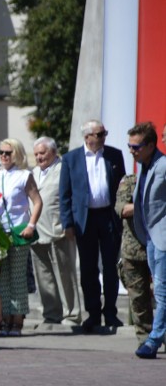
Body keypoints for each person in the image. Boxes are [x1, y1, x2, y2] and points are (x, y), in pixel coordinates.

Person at [59, 120, 126, 332]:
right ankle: (93, 313)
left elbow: (122, 187)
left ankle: (111, 313)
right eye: (99, 133)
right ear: (87, 137)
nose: (103, 137)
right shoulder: (71, 159)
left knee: (110, 266)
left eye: (104, 133)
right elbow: (65, 195)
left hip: (108, 217)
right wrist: (68, 223)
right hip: (84, 219)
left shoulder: (114, 155)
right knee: (88, 268)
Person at [0, 138, 43, 336]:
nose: (3, 156)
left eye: (8, 153)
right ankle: (6, 318)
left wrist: (31, 225)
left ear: (17, 154)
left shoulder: (24, 175)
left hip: (20, 231)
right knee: (2, 278)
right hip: (0, 232)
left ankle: (18, 320)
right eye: (1, 152)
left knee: (18, 276)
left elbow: (37, 202)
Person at [31, 137, 82, 325]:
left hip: (59, 230)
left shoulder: (63, 169)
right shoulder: (33, 172)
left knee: (65, 275)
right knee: (44, 278)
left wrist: (69, 224)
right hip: (36, 231)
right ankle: (51, 315)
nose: (38, 157)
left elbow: (71, 198)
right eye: (36, 154)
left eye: (42, 153)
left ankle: (72, 315)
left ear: (53, 152)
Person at [129, 122, 166, 359]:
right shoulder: (145, 164)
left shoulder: (163, 166)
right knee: (159, 290)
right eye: (129, 146)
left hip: (162, 238)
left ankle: (154, 339)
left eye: (136, 146)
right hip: (151, 238)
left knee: (162, 291)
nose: (132, 150)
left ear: (151, 145)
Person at [115, 171, 152, 347]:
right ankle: (145, 338)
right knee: (138, 298)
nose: (133, 151)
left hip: (160, 246)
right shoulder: (130, 180)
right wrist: (152, 204)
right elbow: (122, 209)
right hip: (134, 249)